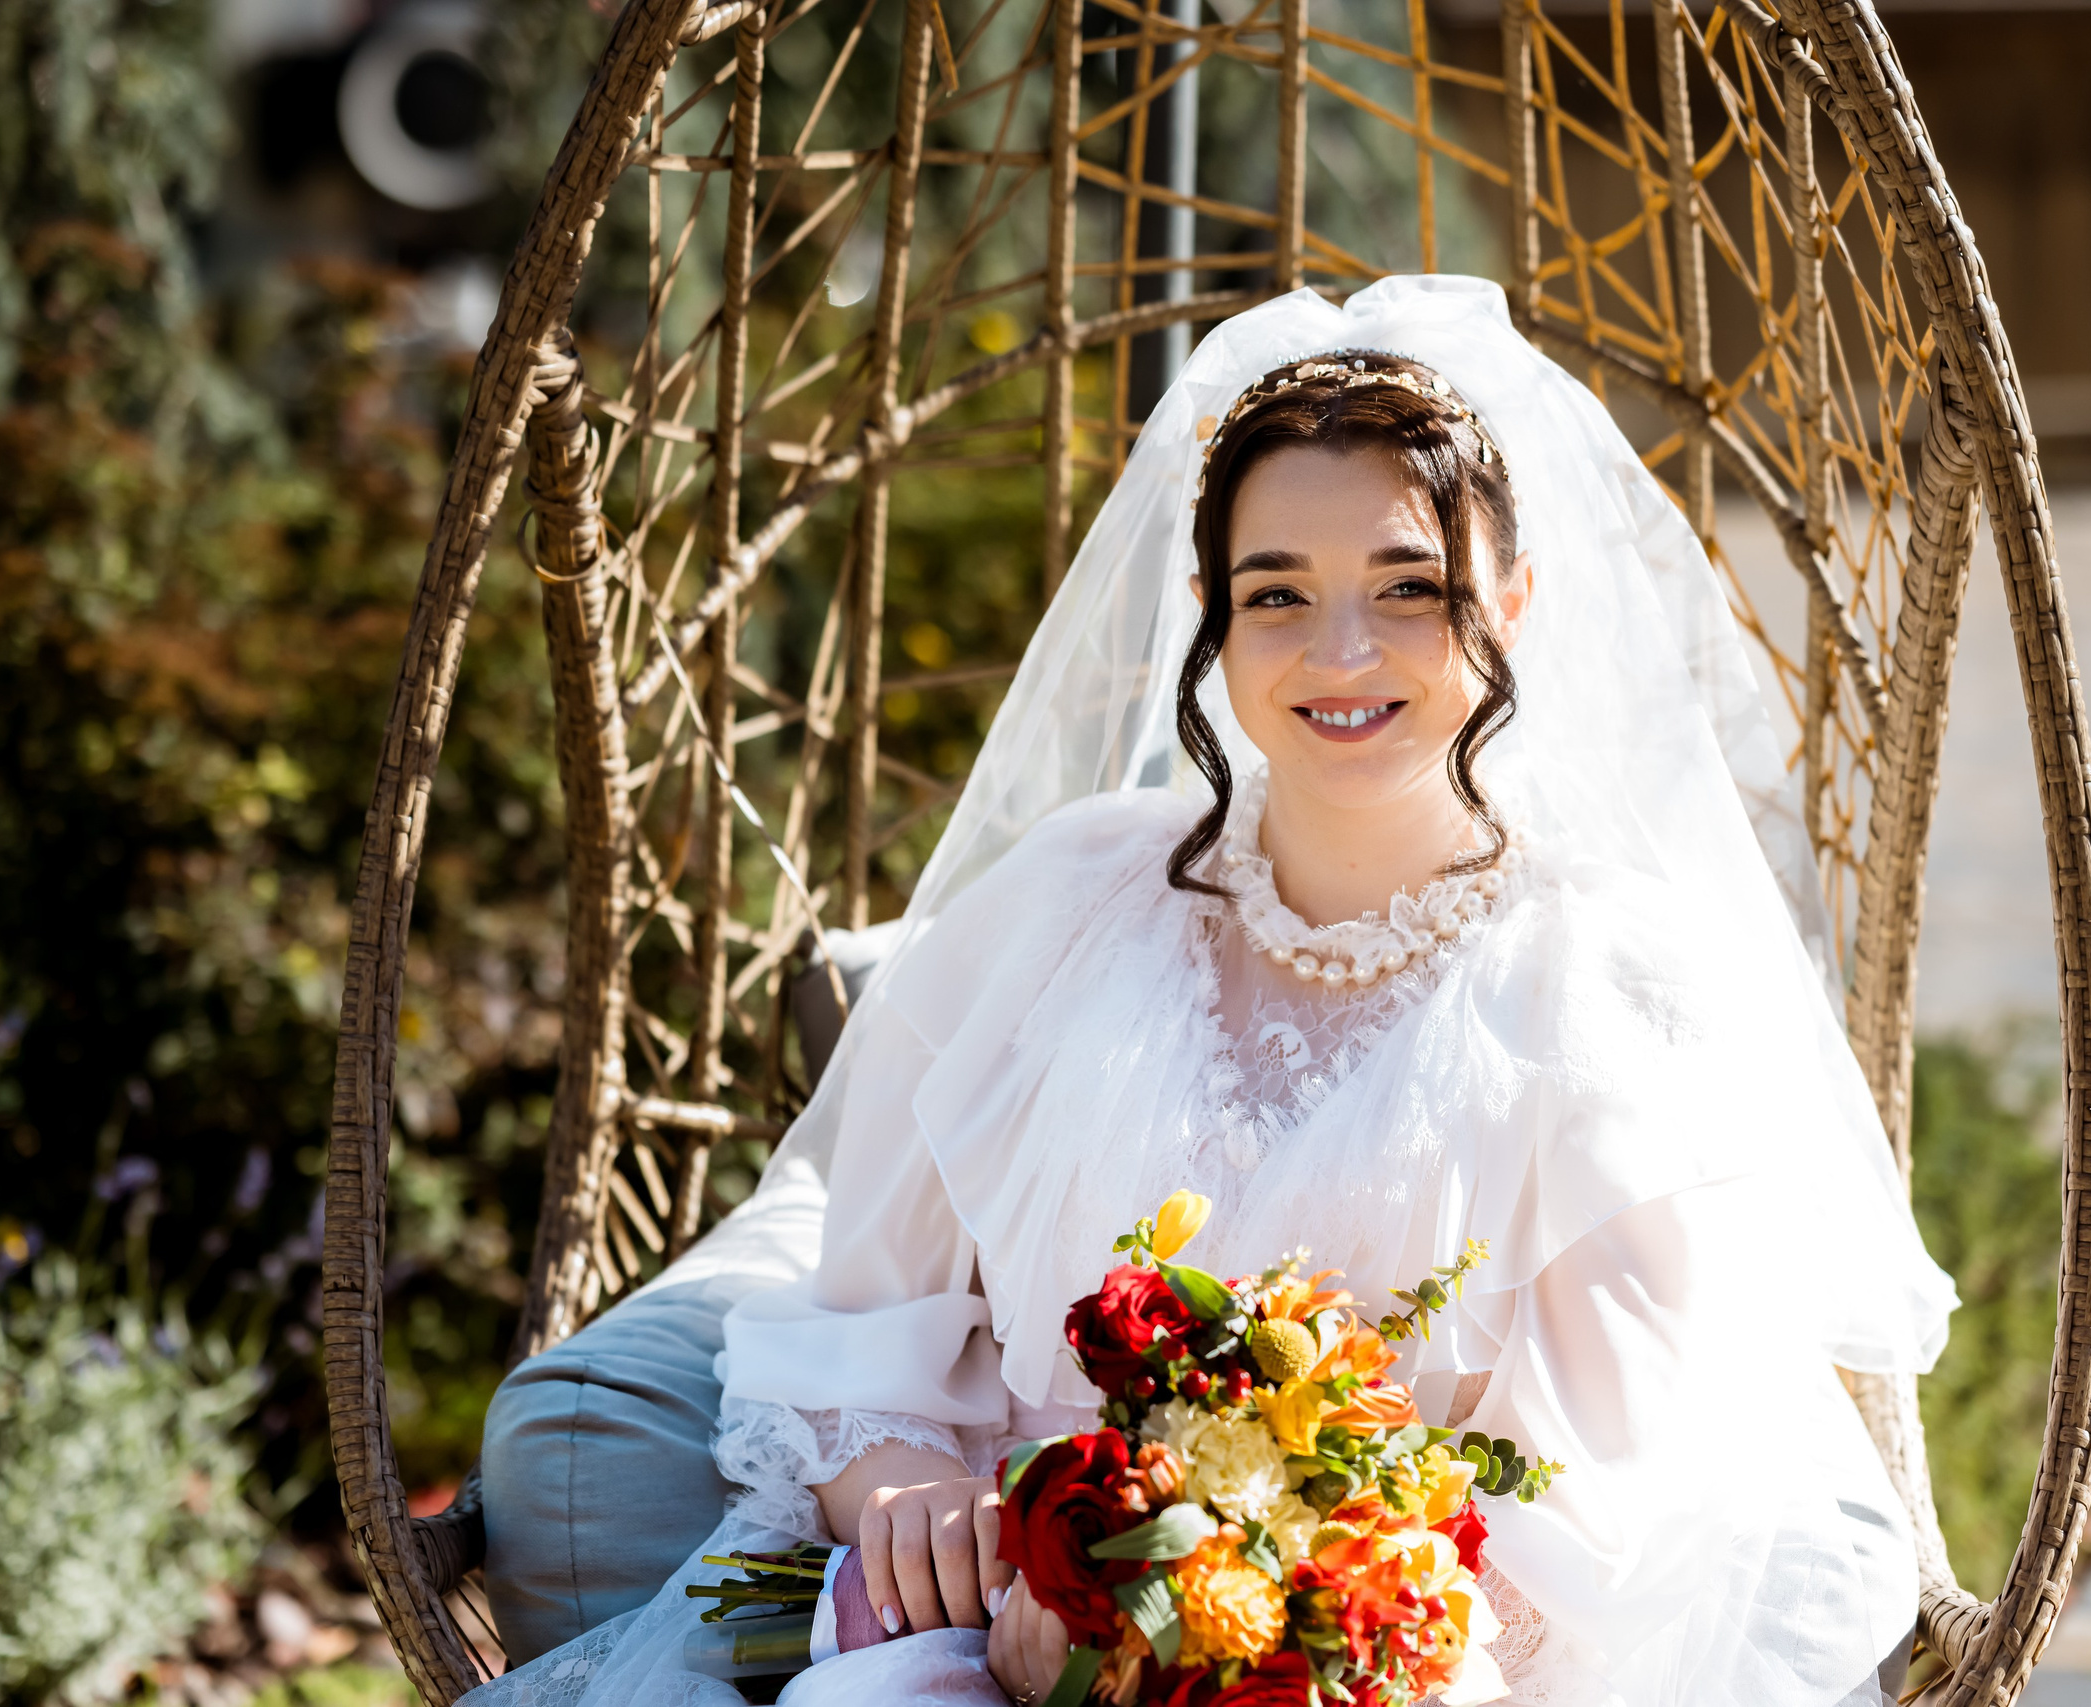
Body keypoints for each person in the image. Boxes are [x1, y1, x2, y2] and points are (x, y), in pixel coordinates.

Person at [466, 276, 1958, 1707]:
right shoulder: (1065, 906)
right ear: (1208, 610)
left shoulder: (1606, 995)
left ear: (1513, 592)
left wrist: (1255, 1640)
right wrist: (901, 1478)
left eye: (1410, 588)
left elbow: (1576, 1547)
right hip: (994, 1639)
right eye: (1277, 594)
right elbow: (855, 1328)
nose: (1343, 652)